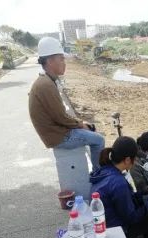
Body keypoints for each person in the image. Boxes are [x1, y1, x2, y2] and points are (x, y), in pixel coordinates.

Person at [28, 37, 104, 169]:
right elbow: (61, 117)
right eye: (61, 59)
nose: (65, 63)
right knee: (99, 140)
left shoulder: (45, 80)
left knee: (91, 130)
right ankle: (99, 175)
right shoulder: (46, 85)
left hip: (56, 131)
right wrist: (80, 124)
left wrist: (80, 123)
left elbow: (59, 114)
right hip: (58, 136)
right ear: (50, 61)